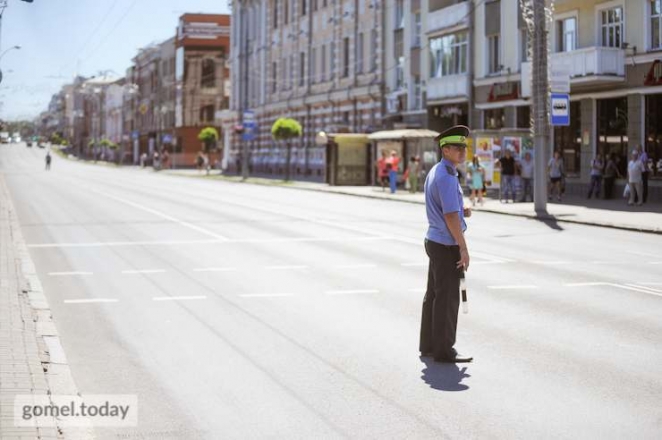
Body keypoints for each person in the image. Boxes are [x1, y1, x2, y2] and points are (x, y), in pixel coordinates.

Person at [419, 125, 473, 364]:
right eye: (458, 148)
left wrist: (462, 210)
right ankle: (444, 350)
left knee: (433, 295)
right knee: (448, 298)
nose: (463, 151)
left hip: (434, 240)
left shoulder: (438, 171)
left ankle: (429, 345)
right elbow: (450, 216)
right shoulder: (447, 176)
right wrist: (463, 247)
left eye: (464, 147)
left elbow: (448, 209)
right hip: (446, 243)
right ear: (446, 149)